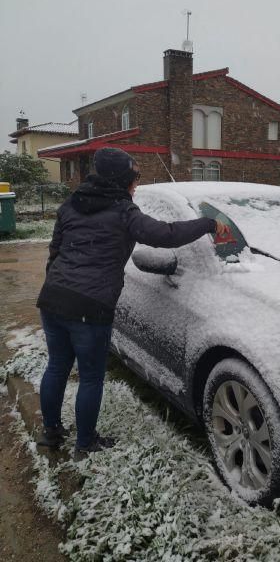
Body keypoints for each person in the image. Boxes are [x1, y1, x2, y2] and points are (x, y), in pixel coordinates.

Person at [36, 147, 229, 459]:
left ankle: (50, 433)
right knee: (90, 376)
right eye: (134, 176)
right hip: (89, 306)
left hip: (54, 298)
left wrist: (58, 287)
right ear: (121, 178)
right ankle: (84, 444)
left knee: (57, 366)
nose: (137, 183)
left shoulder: (71, 203)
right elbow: (164, 234)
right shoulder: (123, 211)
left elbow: (55, 251)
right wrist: (207, 224)